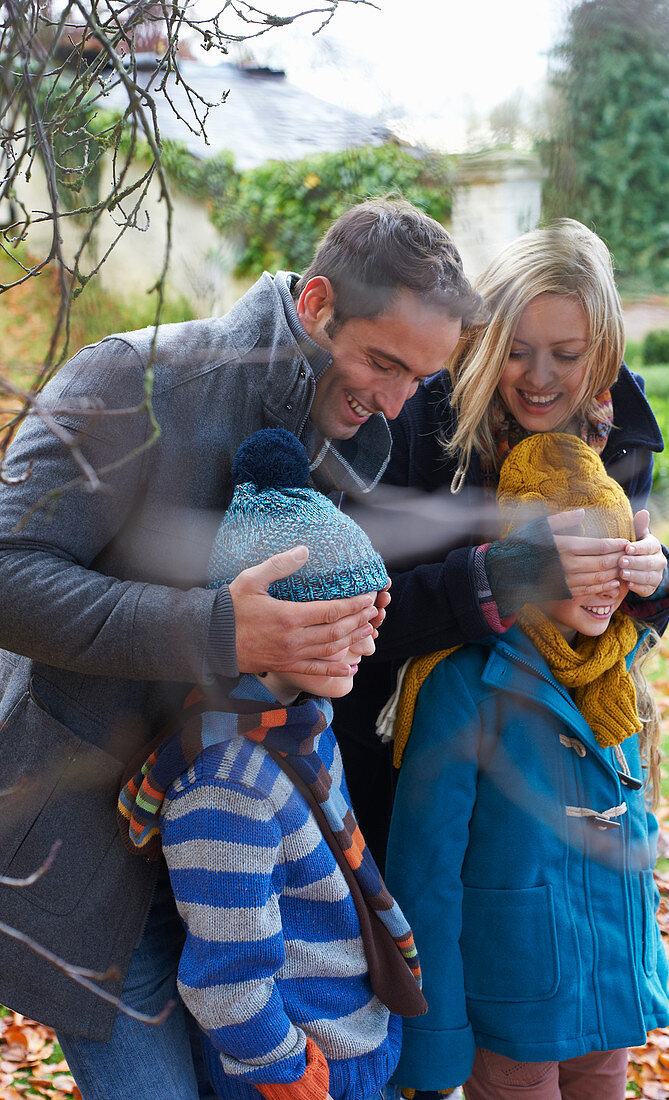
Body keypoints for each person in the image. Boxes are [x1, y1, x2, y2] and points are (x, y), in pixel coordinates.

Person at [0, 198, 476, 1099]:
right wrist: (217, 628)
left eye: (418, 378)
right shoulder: (133, 380)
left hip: (246, 884)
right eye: (382, 362)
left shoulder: (346, 430)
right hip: (98, 873)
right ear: (317, 304)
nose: (393, 402)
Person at [333, 218, 669, 867]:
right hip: (409, 769)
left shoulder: (618, 436)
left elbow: (607, 620)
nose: (538, 377)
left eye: (568, 354)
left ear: (602, 347)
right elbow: (355, 619)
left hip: (554, 769)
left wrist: (655, 582)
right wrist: (502, 575)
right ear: (486, 335)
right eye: (516, 349)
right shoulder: (415, 417)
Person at [118, 429, 427, 1100]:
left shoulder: (305, 725)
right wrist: (284, 1069)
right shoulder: (230, 782)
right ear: (273, 625)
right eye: (344, 616)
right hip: (300, 1071)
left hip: (352, 1037)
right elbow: (226, 976)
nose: (370, 635)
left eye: (370, 609)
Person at [385, 431, 669, 1100]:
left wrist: (641, 968)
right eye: (584, 563)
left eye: (617, 559)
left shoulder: (618, 670)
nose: (605, 586)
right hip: (511, 1009)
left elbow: (633, 831)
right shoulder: (462, 684)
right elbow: (425, 880)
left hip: (608, 995)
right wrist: (435, 1048)